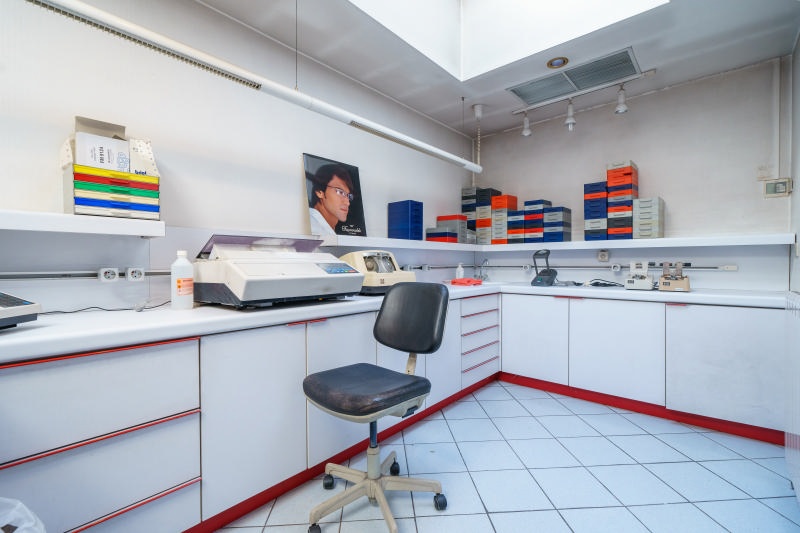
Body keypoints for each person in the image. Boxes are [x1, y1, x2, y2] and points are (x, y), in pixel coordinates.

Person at [308, 164, 354, 235]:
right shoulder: (312, 226)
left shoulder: (325, 229)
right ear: (319, 192)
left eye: (348, 195)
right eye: (340, 192)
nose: (347, 203)